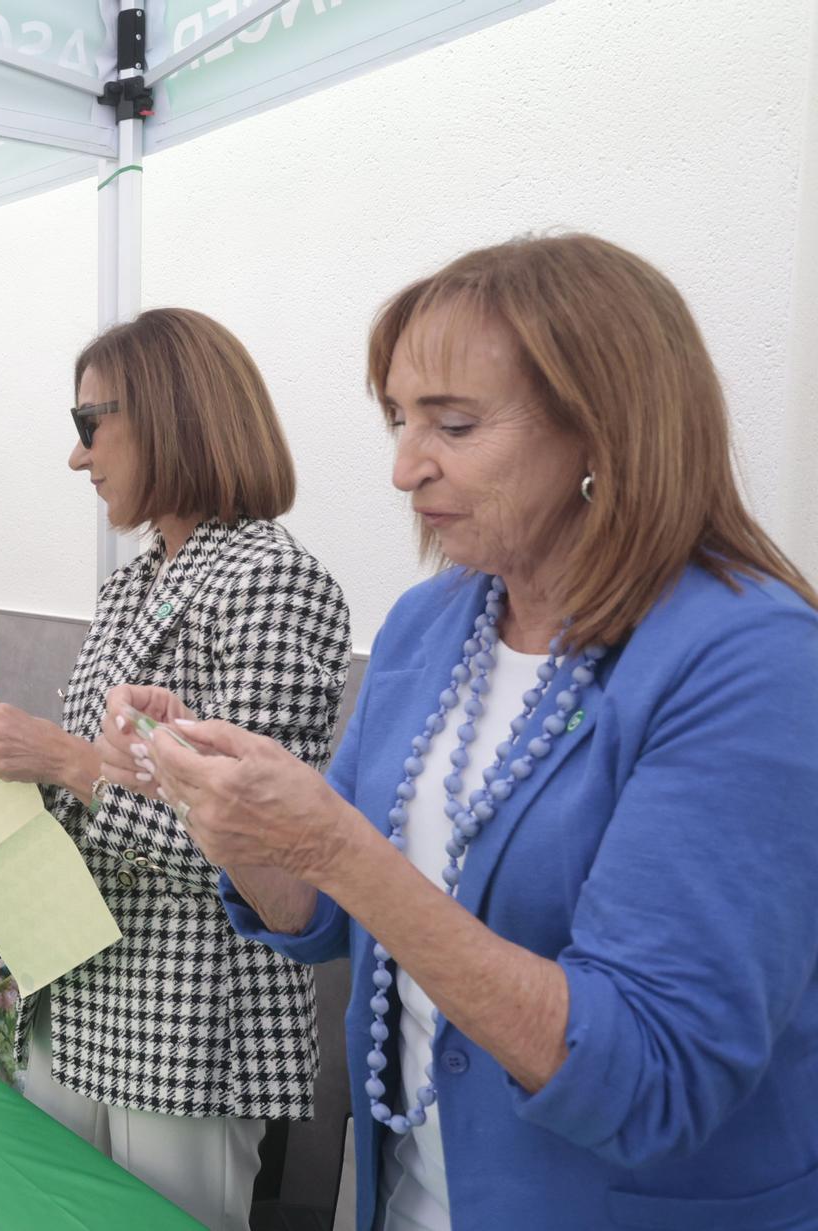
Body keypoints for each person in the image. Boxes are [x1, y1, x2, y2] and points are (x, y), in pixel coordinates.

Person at [101, 234, 818, 1231]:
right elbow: (321, 914)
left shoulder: (749, 660)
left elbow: (651, 1067)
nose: (403, 466)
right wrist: (234, 818)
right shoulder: (430, 624)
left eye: (453, 423)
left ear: (602, 431)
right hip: (406, 1192)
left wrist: (328, 842)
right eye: (397, 419)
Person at [0, 309, 350, 1231]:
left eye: (88, 426)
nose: (78, 458)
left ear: (169, 413)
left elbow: (264, 844)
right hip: (75, 980)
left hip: (187, 1007)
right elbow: (91, 783)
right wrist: (0, 735)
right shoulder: (132, 580)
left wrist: (69, 760)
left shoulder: (271, 578)